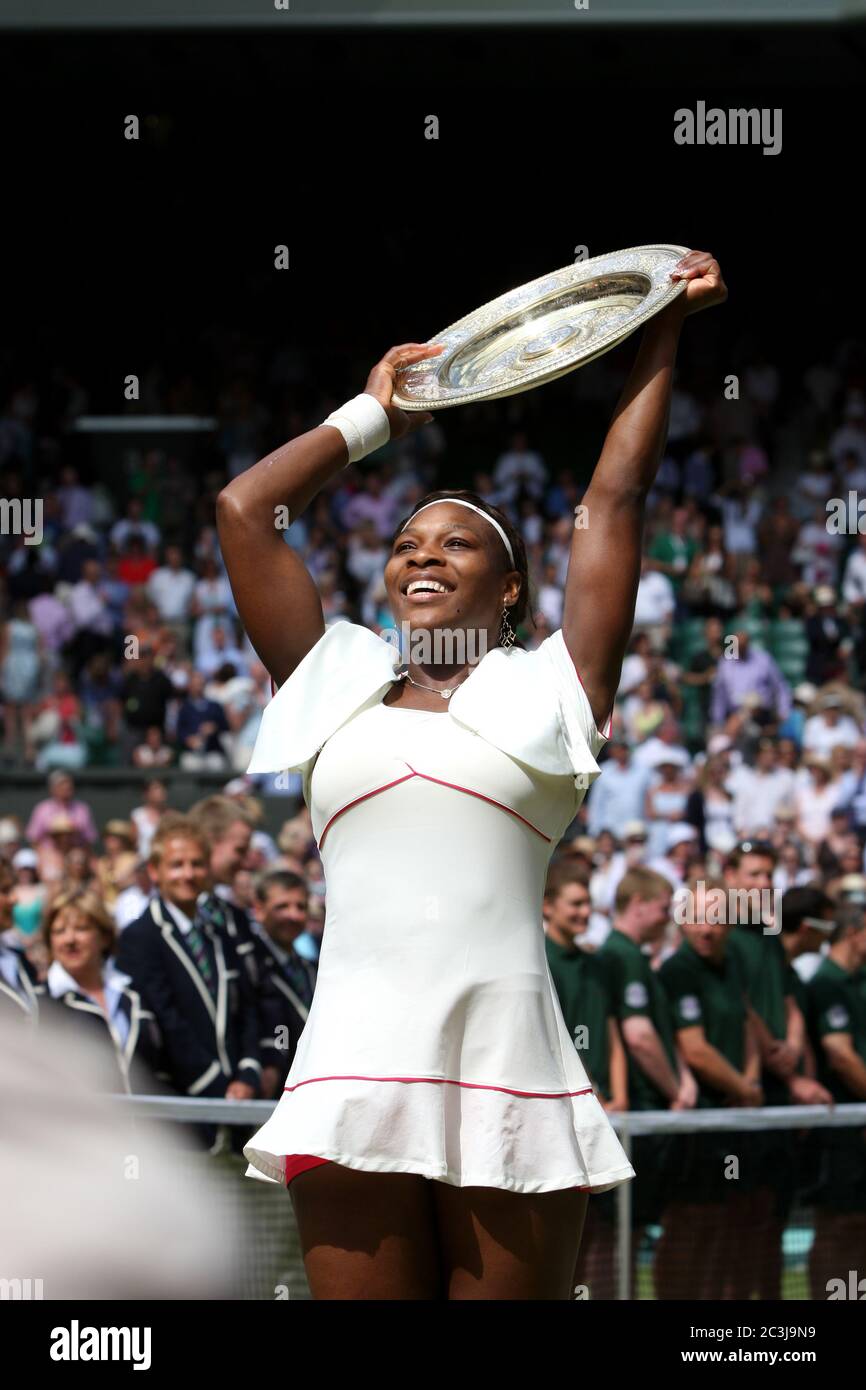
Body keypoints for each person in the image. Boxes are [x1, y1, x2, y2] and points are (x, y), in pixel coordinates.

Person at [216, 249, 727, 1300]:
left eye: (456, 543)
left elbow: (614, 500)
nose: (421, 555)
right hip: (350, 1063)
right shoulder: (332, 682)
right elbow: (243, 510)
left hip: (510, 1065)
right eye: (405, 543)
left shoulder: (552, 689)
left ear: (508, 589)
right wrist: (376, 420)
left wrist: (658, 330)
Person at [655, 876, 762, 1300]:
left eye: (716, 919)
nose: (707, 928)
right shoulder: (679, 969)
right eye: (698, 918)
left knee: (723, 1223)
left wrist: (750, 1079)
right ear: (682, 922)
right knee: (688, 1223)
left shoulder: (731, 963)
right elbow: (694, 1050)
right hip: (696, 1124)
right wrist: (746, 1088)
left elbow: (746, 1020)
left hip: (734, 1116)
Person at [114, 815, 262, 1112]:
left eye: (197, 864)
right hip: (183, 1105)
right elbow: (165, 1018)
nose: (188, 874)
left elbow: (246, 1005)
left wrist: (248, 1072)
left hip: (239, 1099)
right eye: (176, 865)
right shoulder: (140, 936)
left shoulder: (219, 933)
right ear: (155, 871)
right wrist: (217, 1086)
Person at [598, 867, 696, 1295]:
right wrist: (678, 1091)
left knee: (626, 1234)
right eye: (661, 909)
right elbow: (638, 1036)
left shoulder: (627, 955)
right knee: (617, 1236)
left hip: (637, 1112)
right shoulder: (624, 956)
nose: (666, 919)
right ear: (637, 905)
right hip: (635, 1114)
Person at [543, 861, 627, 1300]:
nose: (583, 912)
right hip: (565, 1115)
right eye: (574, 903)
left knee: (607, 1234)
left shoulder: (597, 964)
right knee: (569, 1232)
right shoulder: (536, 960)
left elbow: (610, 1030)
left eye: (588, 903)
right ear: (547, 905)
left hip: (608, 1114)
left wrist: (620, 1098)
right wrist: (590, 1092)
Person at [41, 887, 166, 1094]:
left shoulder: (131, 994)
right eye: (59, 931)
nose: (70, 940)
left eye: (81, 928)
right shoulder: (44, 1003)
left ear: (104, 937)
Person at [805, 903, 866, 1296]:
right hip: (841, 1126)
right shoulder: (827, 982)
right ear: (853, 934)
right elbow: (841, 1056)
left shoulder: (858, 980)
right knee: (837, 1221)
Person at [252, 871, 318, 1098]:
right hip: (272, 1087)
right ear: (258, 910)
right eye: (282, 906)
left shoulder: (313, 968)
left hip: (310, 1087)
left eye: (300, 907)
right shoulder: (250, 964)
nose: (293, 915)